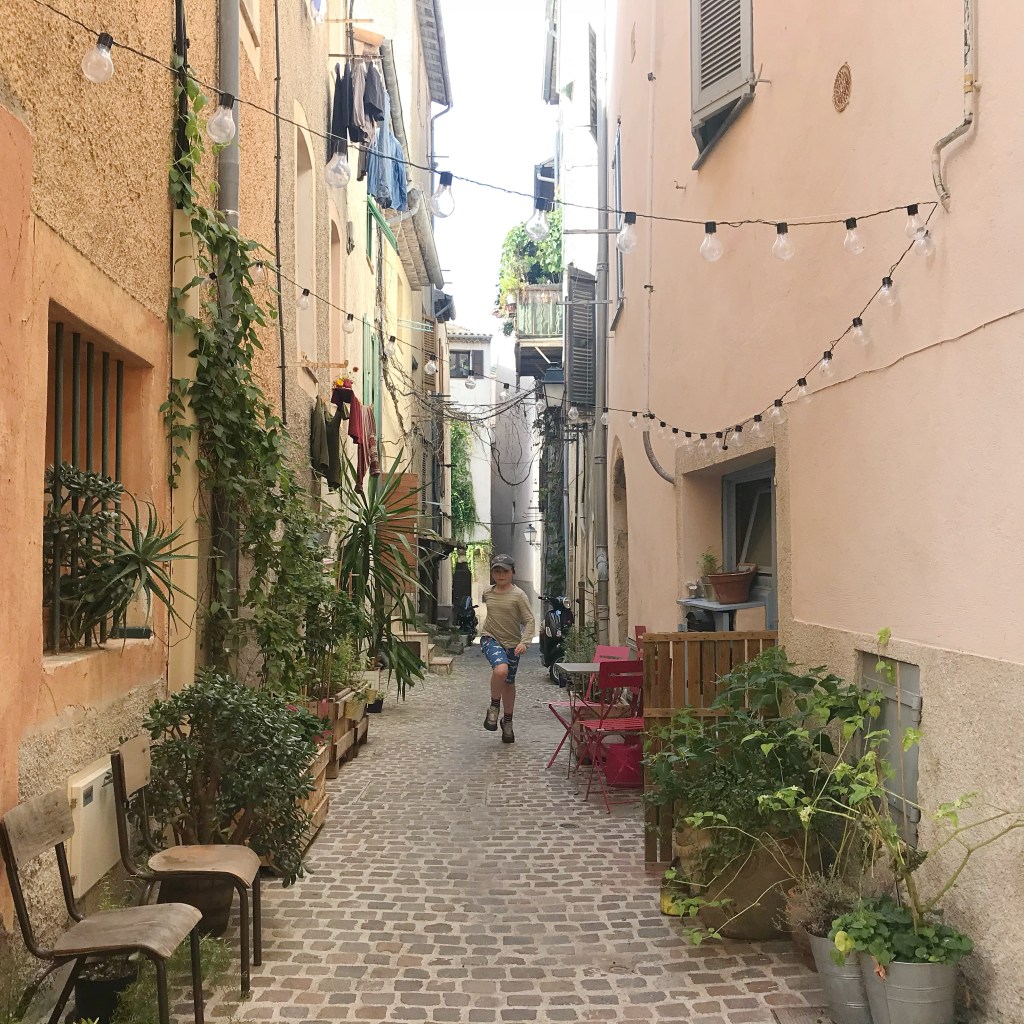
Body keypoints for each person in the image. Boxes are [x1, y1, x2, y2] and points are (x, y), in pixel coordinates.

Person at [479, 553, 536, 744]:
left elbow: (529, 620)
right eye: (497, 570)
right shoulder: (488, 592)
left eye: (505, 571)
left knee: (509, 683)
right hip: (490, 638)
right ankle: (494, 706)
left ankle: (508, 722)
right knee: (501, 670)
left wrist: (525, 642)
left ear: (512, 573)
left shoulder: (519, 595)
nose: (501, 574)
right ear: (492, 573)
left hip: (513, 644)